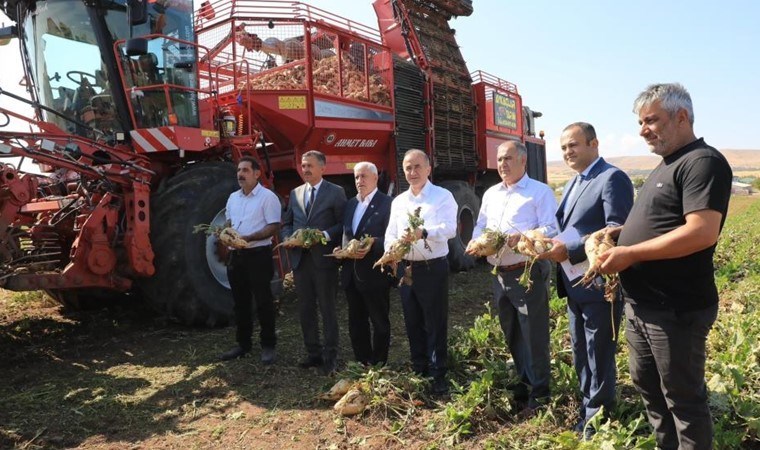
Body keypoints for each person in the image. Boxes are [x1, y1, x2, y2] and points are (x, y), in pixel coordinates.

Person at [598, 83, 732, 449]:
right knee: (651, 392)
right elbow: (664, 219)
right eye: (641, 122)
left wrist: (631, 253)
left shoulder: (702, 162)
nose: (643, 130)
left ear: (682, 116)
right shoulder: (667, 164)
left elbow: (701, 232)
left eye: (651, 120)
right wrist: (622, 234)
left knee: (683, 400)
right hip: (643, 305)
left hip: (675, 308)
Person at [538, 122, 633, 436]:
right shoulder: (572, 183)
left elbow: (617, 230)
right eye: (564, 147)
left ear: (594, 144)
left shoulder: (612, 178)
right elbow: (570, 226)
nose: (568, 152)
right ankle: (586, 409)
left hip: (597, 281)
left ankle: (598, 421)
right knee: (581, 350)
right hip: (573, 282)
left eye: (574, 145)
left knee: (599, 351)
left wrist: (572, 249)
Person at [466, 140, 558, 415]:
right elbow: (481, 224)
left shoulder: (538, 192)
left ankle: (540, 395)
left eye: (508, 159)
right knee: (512, 334)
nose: (502, 165)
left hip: (526, 272)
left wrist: (524, 236)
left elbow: (552, 228)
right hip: (499, 274)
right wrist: (475, 241)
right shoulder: (492, 193)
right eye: (499, 159)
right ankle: (524, 384)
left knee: (534, 335)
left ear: (522, 161)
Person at [385, 149, 457, 394]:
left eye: (417, 167)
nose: (412, 172)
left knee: (435, 321)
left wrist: (423, 232)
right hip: (406, 268)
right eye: (407, 168)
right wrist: (390, 253)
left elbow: (450, 229)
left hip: (431, 267)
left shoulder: (442, 196)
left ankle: (438, 375)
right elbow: (391, 233)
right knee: (412, 319)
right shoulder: (399, 201)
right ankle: (419, 369)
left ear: (428, 169)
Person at [281, 150, 347, 375]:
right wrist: (287, 238)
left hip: (323, 261)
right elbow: (287, 223)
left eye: (310, 165)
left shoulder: (336, 192)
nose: (305, 169)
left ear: (323, 167)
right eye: (303, 165)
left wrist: (325, 236)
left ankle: (331, 356)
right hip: (301, 261)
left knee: (327, 309)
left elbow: (342, 225)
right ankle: (313, 353)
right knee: (305, 308)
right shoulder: (296, 192)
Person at [220, 156, 282, 364]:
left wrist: (249, 238)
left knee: (264, 301)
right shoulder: (232, 198)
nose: (240, 174)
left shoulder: (267, 197)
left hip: (258, 255)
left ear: (257, 174)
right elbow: (229, 221)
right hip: (236, 257)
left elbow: (273, 226)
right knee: (240, 302)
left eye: (245, 170)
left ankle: (268, 345)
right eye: (239, 170)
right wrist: (222, 233)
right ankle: (243, 344)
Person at [340, 162, 393, 366]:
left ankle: (379, 364)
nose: (359, 181)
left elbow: (392, 237)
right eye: (356, 177)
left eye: (363, 177)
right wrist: (341, 249)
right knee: (356, 322)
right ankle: (362, 361)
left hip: (374, 274)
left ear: (375, 178)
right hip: (351, 274)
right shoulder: (351, 204)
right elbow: (347, 233)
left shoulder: (387, 203)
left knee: (379, 322)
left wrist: (374, 244)